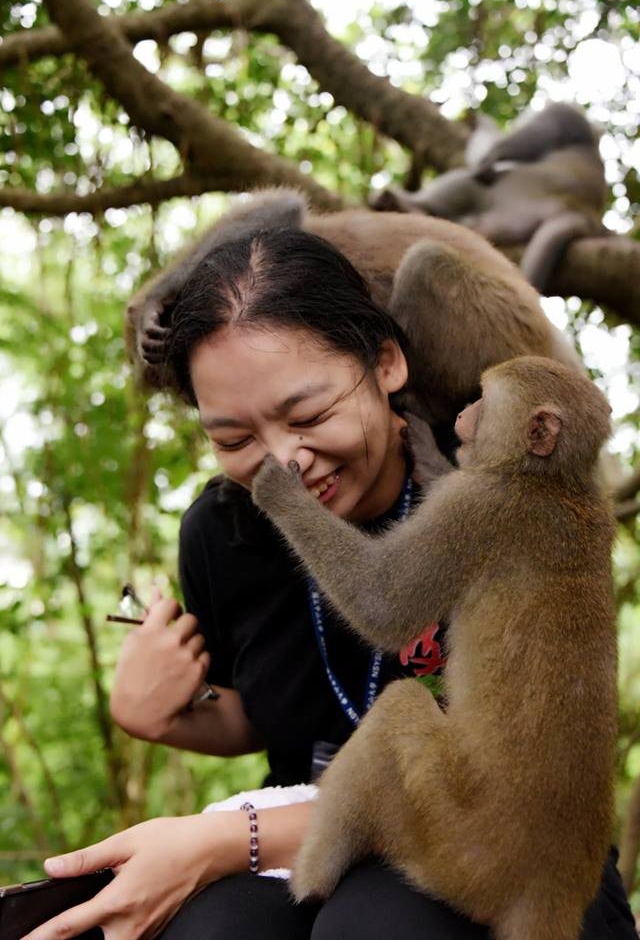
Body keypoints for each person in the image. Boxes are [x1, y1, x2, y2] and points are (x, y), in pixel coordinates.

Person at [24, 229, 637, 940]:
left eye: (308, 415)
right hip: (317, 820)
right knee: (214, 930)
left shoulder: (500, 498)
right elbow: (267, 709)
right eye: (232, 439)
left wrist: (229, 838)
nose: (282, 461)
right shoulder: (221, 534)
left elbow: (527, 774)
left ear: (388, 363)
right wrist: (169, 708)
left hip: (515, 842)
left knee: (377, 925)